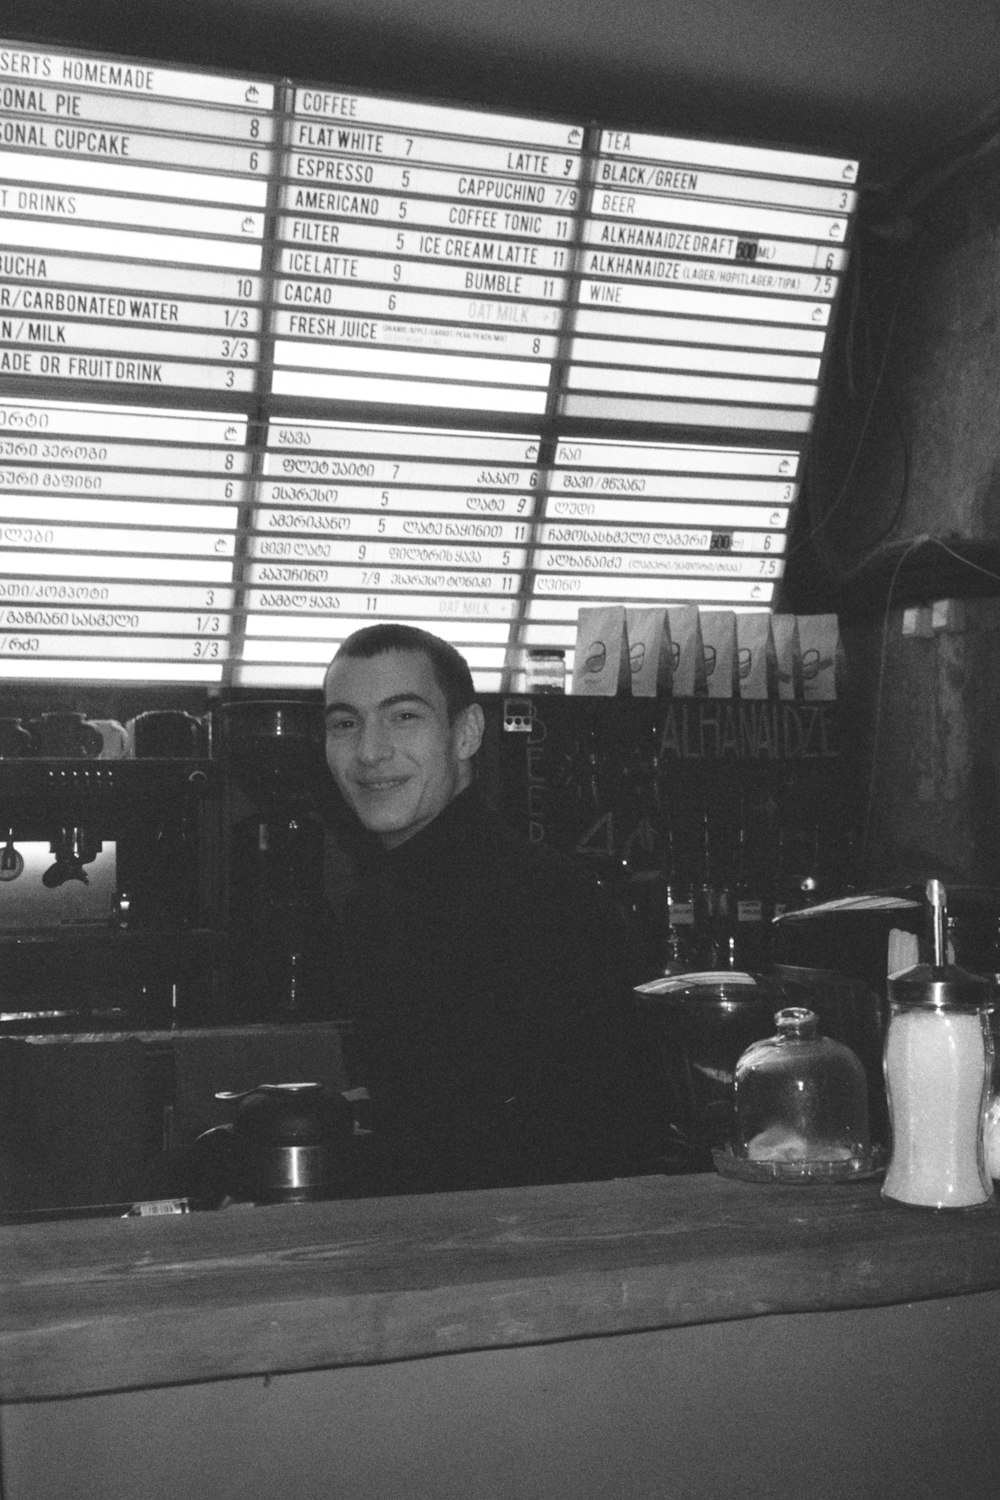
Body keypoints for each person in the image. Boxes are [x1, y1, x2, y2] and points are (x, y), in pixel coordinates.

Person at [323, 623, 660, 1195]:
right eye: (345, 723)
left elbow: (583, 1149)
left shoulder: (549, 905)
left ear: (466, 733)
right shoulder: (374, 907)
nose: (370, 752)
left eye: (404, 716)